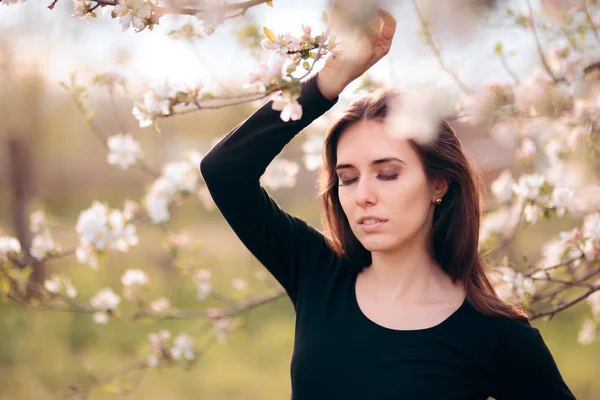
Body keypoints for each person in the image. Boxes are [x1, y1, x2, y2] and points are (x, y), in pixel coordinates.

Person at [200, 8, 576, 400]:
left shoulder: (495, 334)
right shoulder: (318, 275)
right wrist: (328, 82)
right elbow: (225, 171)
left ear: (438, 184)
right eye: (347, 177)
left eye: (388, 173)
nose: (363, 194)